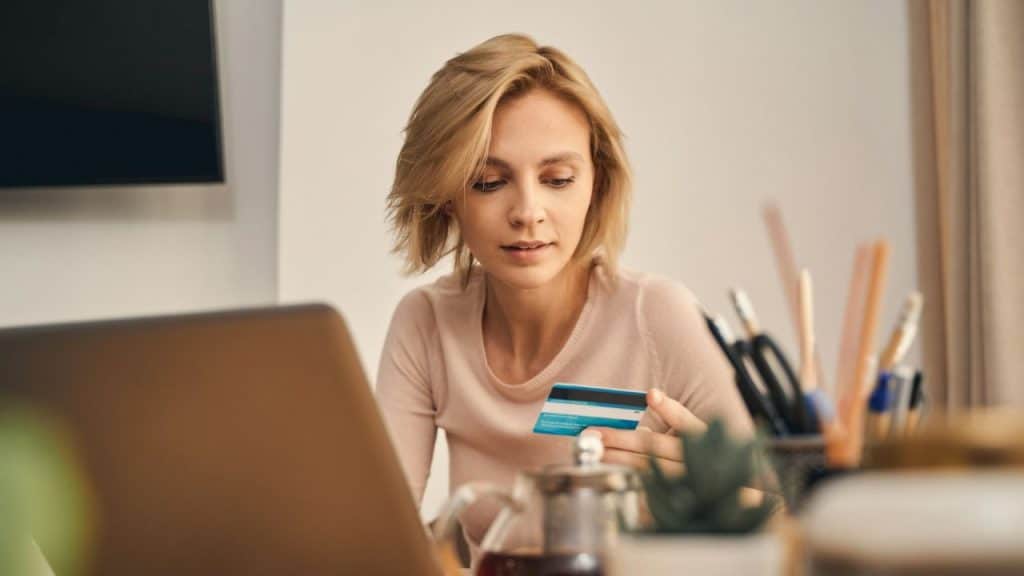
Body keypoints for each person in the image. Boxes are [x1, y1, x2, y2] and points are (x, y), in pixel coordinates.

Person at [377, 33, 752, 553]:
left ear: (597, 182)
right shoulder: (426, 324)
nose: (527, 212)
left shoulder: (657, 317)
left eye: (557, 179)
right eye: (488, 182)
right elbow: (371, 532)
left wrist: (707, 499)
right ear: (446, 197)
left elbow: (788, 521)